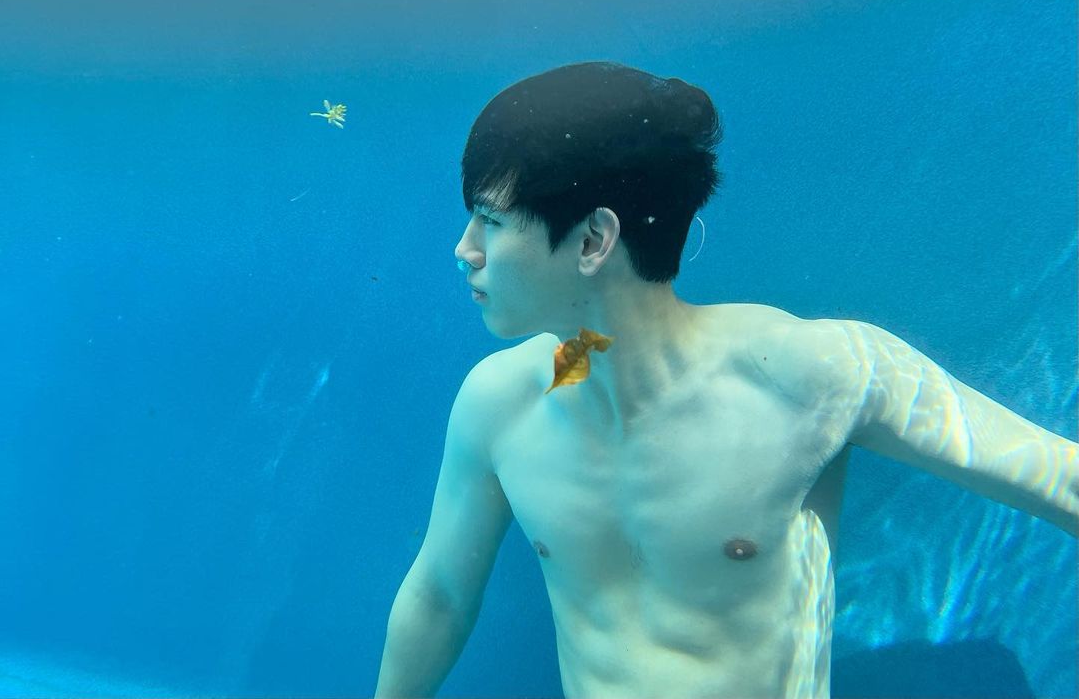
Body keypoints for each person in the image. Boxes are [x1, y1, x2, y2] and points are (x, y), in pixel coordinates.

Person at [375, 61, 1077, 699]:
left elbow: (1061, 480)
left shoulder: (803, 374)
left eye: (490, 221)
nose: (464, 250)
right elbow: (439, 596)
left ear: (593, 240)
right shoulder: (500, 404)